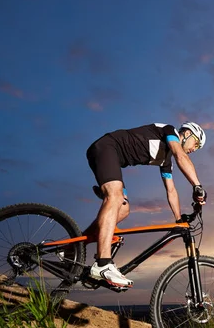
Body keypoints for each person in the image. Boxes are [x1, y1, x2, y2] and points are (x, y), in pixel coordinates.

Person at [81, 122, 207, 288]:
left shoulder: (166, 161)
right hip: (106, 147)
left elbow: (171, 190)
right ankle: (103, 263)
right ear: (188, 133)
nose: (194, 149)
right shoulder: (169, 131)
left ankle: (75, 245)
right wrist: (197, 186)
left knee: (124, 209)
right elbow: (181, 156)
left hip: (113, 160)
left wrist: (178, 219)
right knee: (115, 197)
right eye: (196, 144)